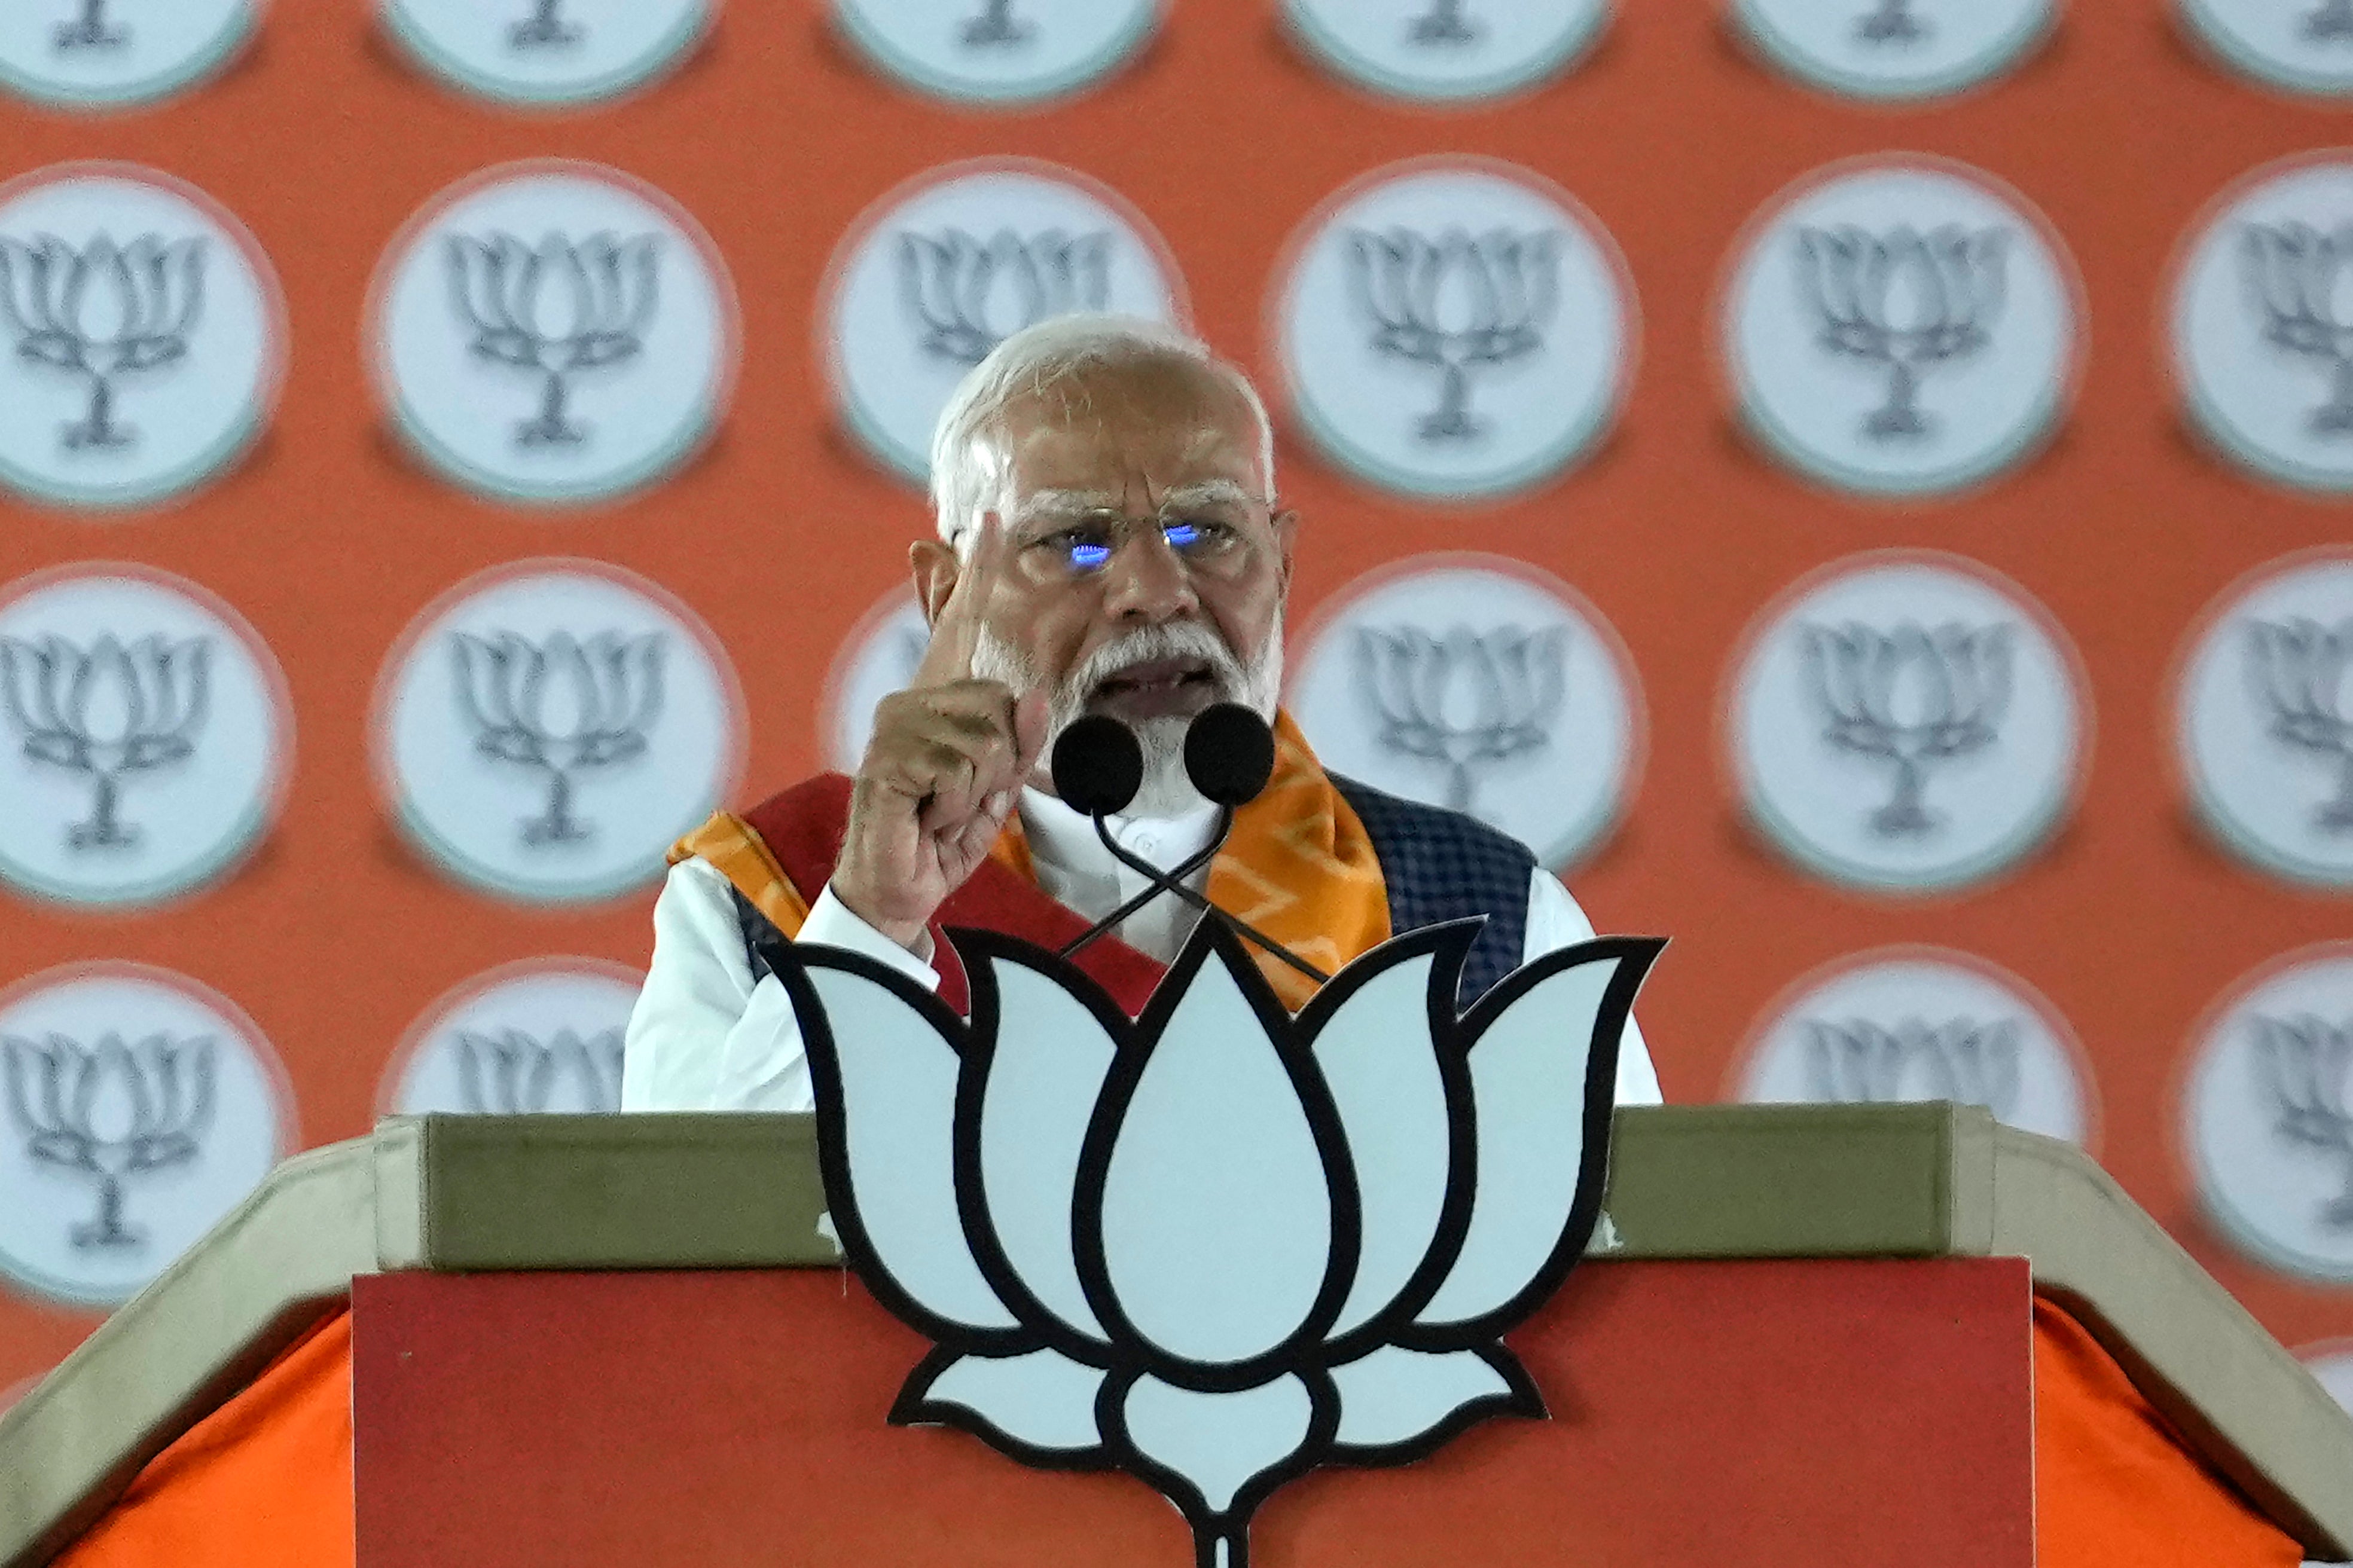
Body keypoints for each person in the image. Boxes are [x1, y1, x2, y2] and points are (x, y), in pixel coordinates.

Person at [621, 314, 1661, 1111]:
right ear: (944, 592)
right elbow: (692, 1288)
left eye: (1209, 531)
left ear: (1282, 563)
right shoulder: (769, 894)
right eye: (1076, 541)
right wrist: (874, 929)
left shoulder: (1491, 917)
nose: (1155, 591)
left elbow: (1632, 1296)